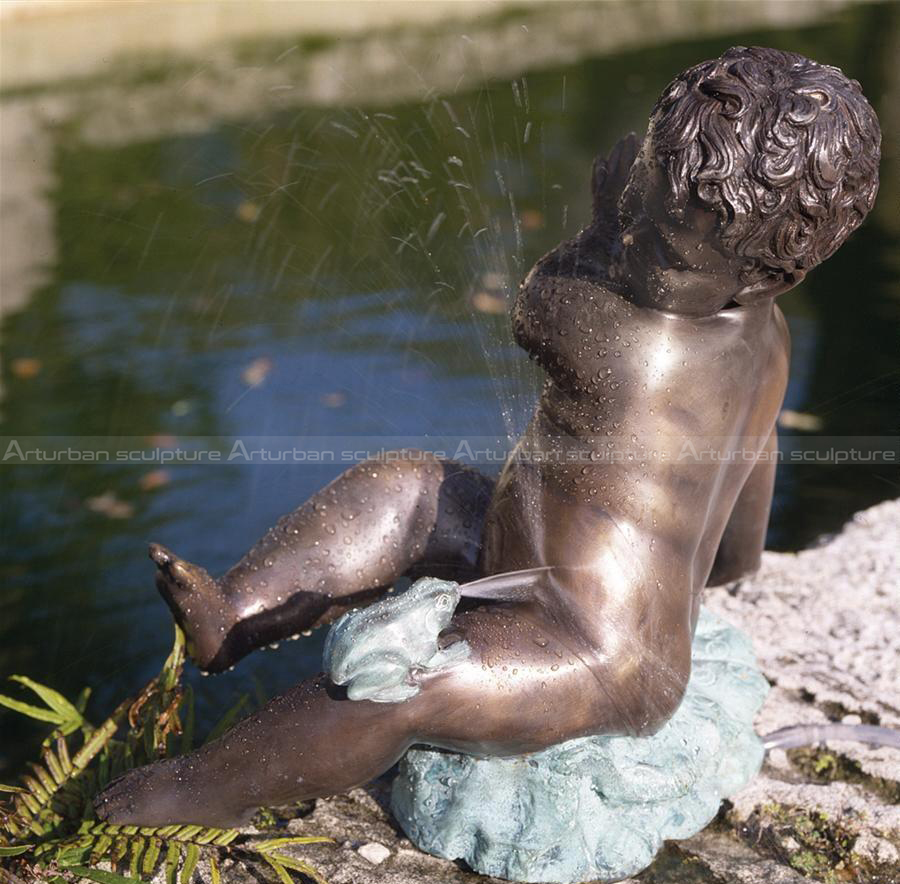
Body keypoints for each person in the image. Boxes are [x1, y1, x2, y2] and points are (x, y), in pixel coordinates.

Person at [96, 47, 880, 827]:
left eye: (664, 247)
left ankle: (199, 790)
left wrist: (603, 221)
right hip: (524, 560)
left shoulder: (648, 346)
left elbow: (538, 306)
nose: (634, 236)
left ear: (763, 278)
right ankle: (236, 612)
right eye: (636, 198)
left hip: (593, 655)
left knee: (399, 686)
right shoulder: (770, 345)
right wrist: (705, 563)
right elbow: (742, 522)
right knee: (404, 487)